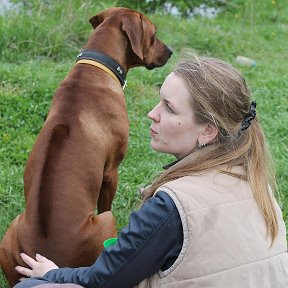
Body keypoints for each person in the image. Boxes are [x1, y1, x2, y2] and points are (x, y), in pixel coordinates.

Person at [13, 52, 288, 288]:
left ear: (207, 131)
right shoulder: (255, 182)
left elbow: (105, 279)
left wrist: (51, 274)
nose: (152, 113)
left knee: (31, 285)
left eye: (169, 108)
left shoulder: (173, 206)